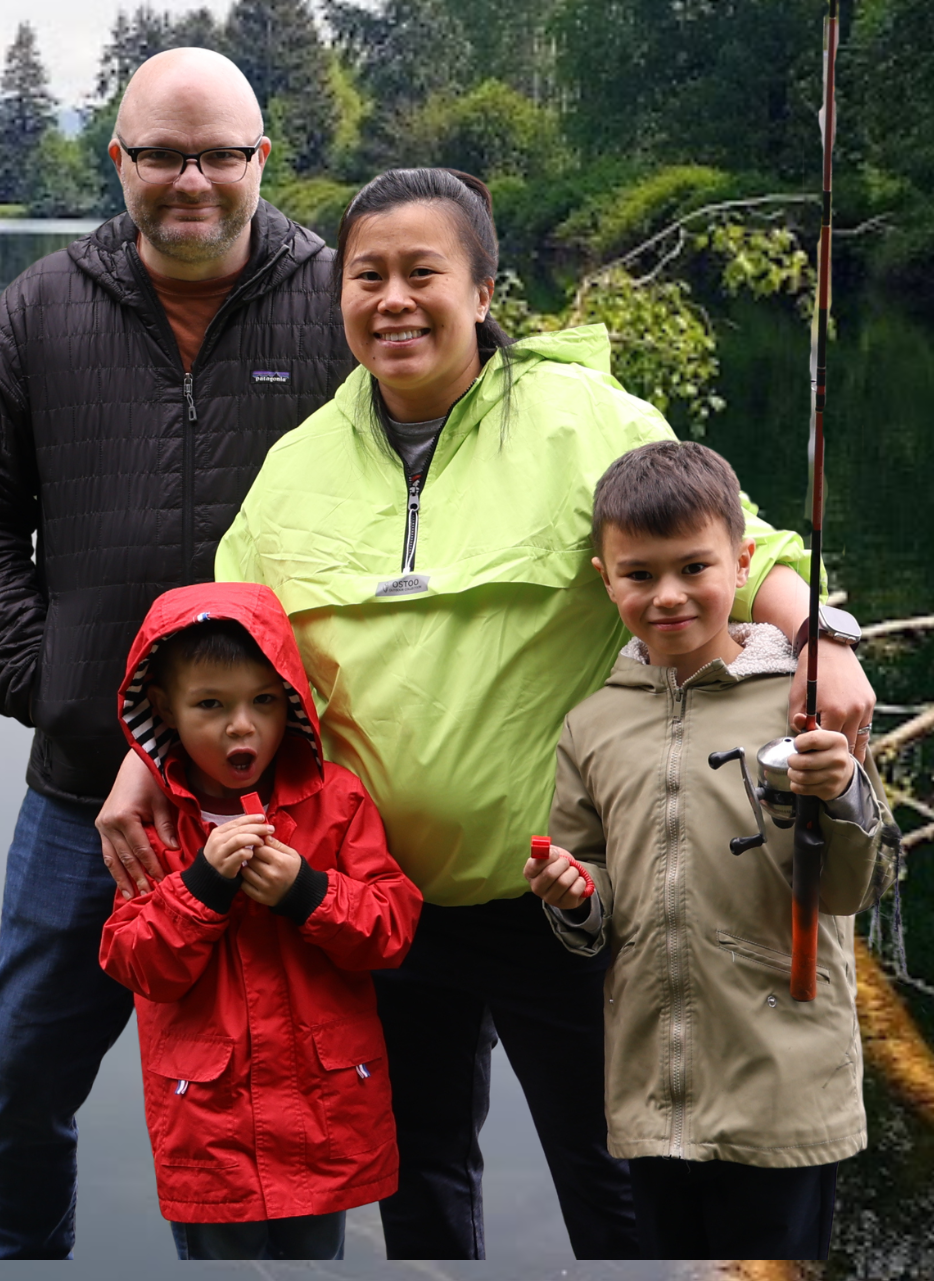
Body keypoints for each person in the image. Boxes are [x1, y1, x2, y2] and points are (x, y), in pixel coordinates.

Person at [98, 166, 875, 1259]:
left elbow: (733, 549)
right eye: (366, 275)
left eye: (422, 272)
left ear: (482, 290)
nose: (393, 300)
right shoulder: (297, 465)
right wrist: (141, 765)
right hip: (377, 902)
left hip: (558, 896)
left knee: (611, 1180)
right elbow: (227, 638)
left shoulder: (584, 422)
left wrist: (819, 638)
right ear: (338, 294)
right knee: (419, 1182)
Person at [0, 48, 351, 1260]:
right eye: (163, 153)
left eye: (219, 153)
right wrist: (50, 680)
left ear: (261, 158)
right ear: (118, 159)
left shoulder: (339, 301)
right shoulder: (41, 308)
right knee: (20, 1079)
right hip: (84, 799)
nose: (191, 180)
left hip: (276, 807)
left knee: (266, 1106)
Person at [528, 438, 886, 1261]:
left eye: (695, 568)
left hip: (786, 1095)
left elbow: (852, 890)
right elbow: (593, 902)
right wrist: (573, 894)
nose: (668, 595)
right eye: (640, 574)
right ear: (605, 579)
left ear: (743, 562)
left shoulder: (804, 702)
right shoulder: (591, 723)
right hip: (652, 1100)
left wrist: (842, 789)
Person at [99, 582, 422, 1261]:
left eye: (264, 702)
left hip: (323, 1115)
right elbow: (134, 962)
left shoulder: (336, 801)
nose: (241, 726)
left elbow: (392, 928)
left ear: (293, 703)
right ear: (164, 708)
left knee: (315, 1263)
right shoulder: (156, 826)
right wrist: (201, 889)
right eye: (210, 705)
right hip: (207, 1123)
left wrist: (308, 893)